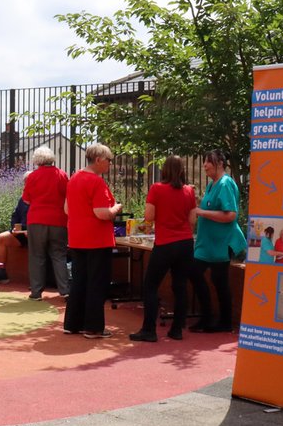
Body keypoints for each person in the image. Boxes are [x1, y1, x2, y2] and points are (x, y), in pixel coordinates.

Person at [130, 156, 197, 342]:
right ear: (182, 170)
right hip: (185, 243)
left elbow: (149, 216)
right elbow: (192, 220)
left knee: (150, 285)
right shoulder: (189, 191)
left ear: (164, 170)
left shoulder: (157, 188)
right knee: (180, 286)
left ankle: (149, 330)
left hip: (165, 243)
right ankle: (177, 330)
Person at [63, 143, 122, 339]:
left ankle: (72, 324)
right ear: (98, 160)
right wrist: (116, 208)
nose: (110, 164)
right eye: (108, 160)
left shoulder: (73, 179)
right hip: (97, 240)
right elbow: (102, 213)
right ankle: (93, 327)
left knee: (79, 281)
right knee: (97, 283)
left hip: (77, 238)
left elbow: (66, 209)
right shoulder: (96, 182)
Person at [190, 149, 246, 333]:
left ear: (220, 163)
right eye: (205, 162)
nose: (204, 165)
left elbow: (230, 215)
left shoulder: (225, 184)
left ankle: (222, 321)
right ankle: (210, 318)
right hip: (208, 244)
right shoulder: (212, 185)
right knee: (201, 275)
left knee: (217, 279)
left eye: (208, 162)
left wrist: (201, 212)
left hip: (222, 243)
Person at [22, 145, 70, 299]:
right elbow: (68, 197)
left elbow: (26, 199)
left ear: (37, 160)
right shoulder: (62, 175)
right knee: (59, 255)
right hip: (59, 220)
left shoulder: (33, 176)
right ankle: (64, 290)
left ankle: (36, 292)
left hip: (36, 220)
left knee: (37, 256)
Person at [0, 196, 29, 285]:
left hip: (36, 232)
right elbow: (15, 215)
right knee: (1, 238)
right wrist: (13, 229)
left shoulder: (41, 197)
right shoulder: (23, 199)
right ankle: (1, 274)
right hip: (20, 232)